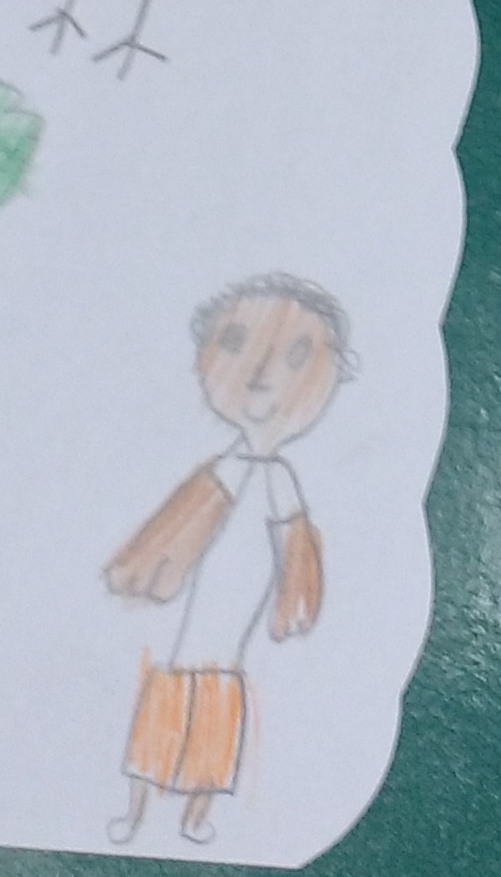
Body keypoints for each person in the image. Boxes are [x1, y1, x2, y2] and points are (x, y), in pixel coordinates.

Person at [101, 275, 353, 845]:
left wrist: (296, 601)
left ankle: (195, 817)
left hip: (230, 644)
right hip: (185, 634)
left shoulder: (279, 481)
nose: (262, 373)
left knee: (216, 714)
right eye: (236, 343)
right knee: (165, 708)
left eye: (295, 355)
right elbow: (169, 532)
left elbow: (297, 553)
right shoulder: (221, 471)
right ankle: (136, 812)